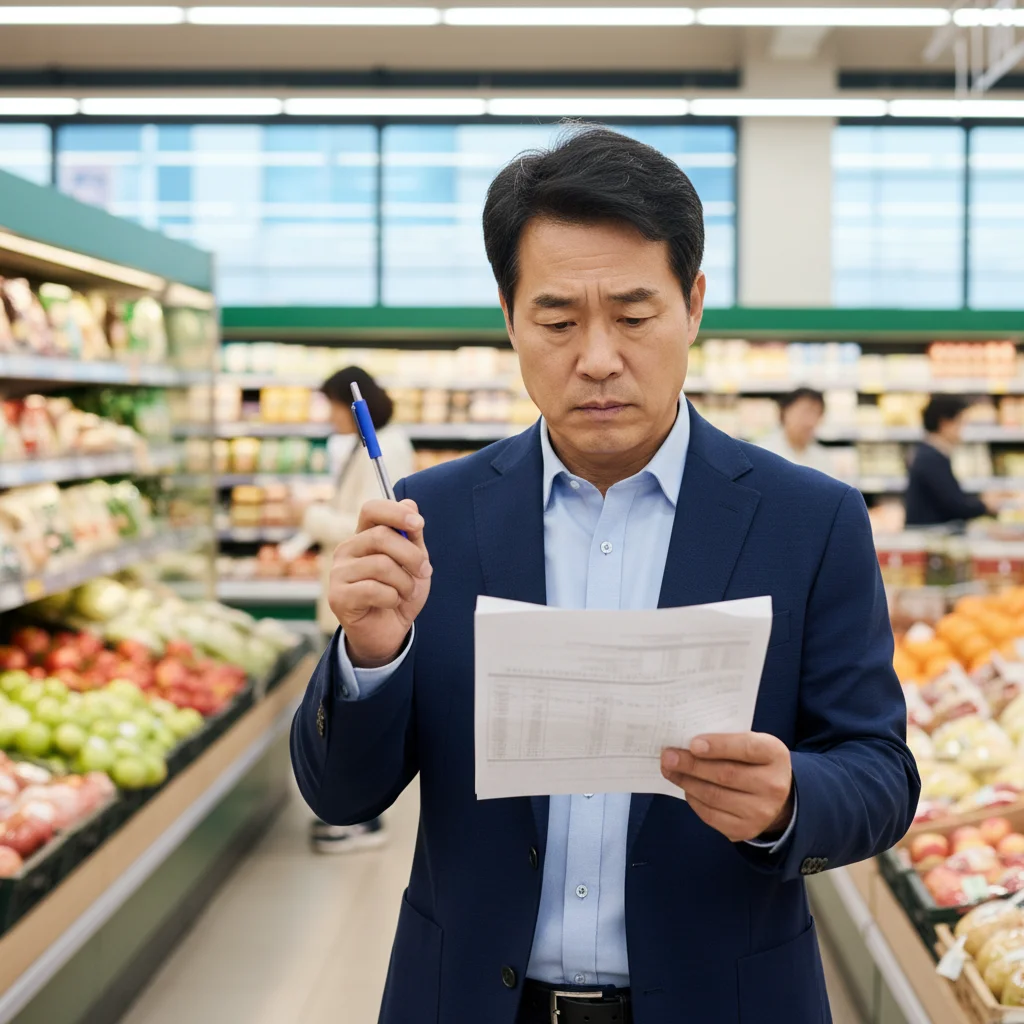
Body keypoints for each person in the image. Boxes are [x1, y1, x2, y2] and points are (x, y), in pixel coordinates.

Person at [291, 127, 918, 1024]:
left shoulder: (809, 520)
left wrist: (789, 800)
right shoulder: (427, 521)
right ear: (509, 317)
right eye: (557, 321)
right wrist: (371, 656)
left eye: (633, 316)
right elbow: (340, 793)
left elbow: (880, 774)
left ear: (692, 306)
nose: (596, 358)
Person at [286, 366, 414, 853]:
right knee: (343, 705)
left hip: (363, 603)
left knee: (353, 708)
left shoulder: (387, 448)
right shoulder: (367, 446)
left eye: (334, 406)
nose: (330, 416)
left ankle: (361, 819)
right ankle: (352, 811)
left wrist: (310, 515)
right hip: (351, 596)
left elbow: (370, 532)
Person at [904, 394, 1001, 527]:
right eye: (961, 422)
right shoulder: (931, 459)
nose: (963, 430)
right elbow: (954, 505)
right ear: (945, 423)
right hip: (930, 533)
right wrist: (985, 505)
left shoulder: (931, 454)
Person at [759, 387, 832, 474]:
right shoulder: (763, 451)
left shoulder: (822, 457)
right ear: (785, 412)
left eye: (817, 414)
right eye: (805, 412)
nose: (810, 422)